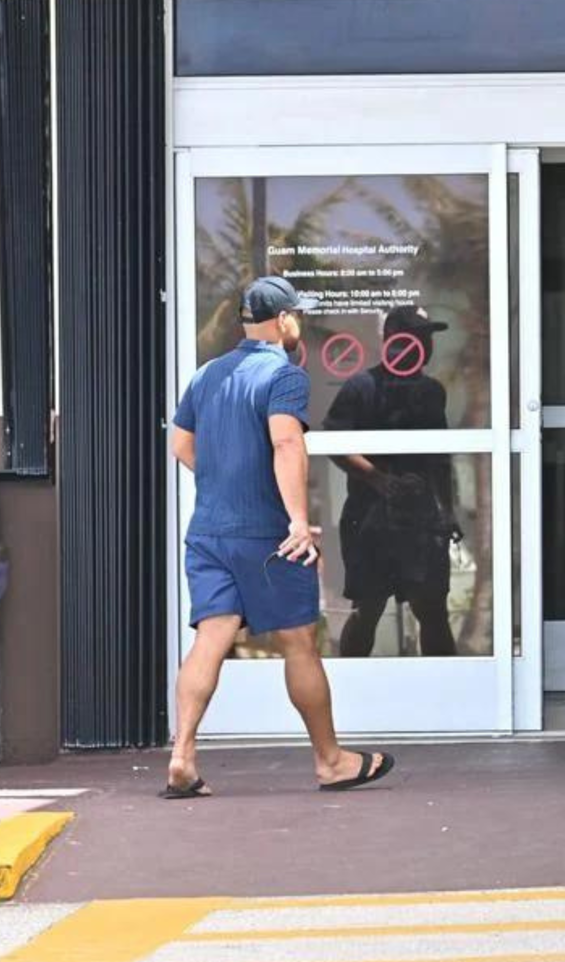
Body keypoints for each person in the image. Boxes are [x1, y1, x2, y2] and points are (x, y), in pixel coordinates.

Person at [164, 275, 394, 798]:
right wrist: (295, 521)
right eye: (298, 315)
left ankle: (182, 756)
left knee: (211, 636)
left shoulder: (207, 375)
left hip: (208, 531)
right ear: (284, 320)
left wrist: (222, 486)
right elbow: (288, 444)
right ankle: (331, 761)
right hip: (267, 536)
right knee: (299, 644)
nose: (301, 324)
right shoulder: (283, 376)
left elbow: (181, 445)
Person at [323, 306, 461, 657]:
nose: (425, 344)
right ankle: (348, 691)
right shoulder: (361, 386)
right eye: (418, 336)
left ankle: (449, 694)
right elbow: (334, 445)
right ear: (395, 341)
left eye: (428, 336)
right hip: (370, 519)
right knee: (367, 610)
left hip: (422, 519)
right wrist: (378, 480)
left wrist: (448, 511)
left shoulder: (431, 392)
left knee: (432, 611)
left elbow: (440, 458)